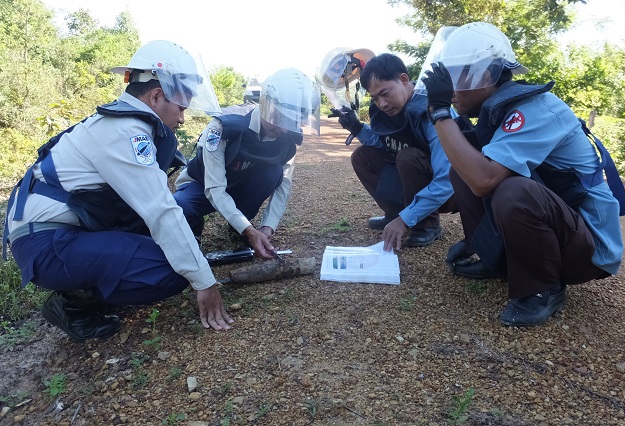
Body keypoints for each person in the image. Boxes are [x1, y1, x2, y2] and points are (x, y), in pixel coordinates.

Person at [2, 40, 234, 342]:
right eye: (180, 107)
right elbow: (160, 209)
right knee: (175, 271)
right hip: (46, 243)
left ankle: (100, 277)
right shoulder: (124, 132)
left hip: (65, 232)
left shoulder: (122, 123)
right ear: (156, 95)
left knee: (182, 243)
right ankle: (73, 303)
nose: (182, 118)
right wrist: (204, 281)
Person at [420, 22, 625, 326]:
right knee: (461, 171)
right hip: (564, 229)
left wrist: (440, 113)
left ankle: (542, 288)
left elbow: (484, 181)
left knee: (511, 190)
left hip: (588, 251)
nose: (451, 91)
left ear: (487, 74)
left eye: (458, 76)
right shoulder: (500, 111)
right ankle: (495, 259)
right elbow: (470, 172)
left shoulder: (535, 109)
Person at [173, 68, 320, 259]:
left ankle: (238, 228)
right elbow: (215, 188)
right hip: (203, 185)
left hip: (239, 186)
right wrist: (250, 230)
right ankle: (195, 230)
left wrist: (267, 228)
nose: (285, 128)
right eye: (283, 118)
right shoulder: (225, 126)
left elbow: (283, 185)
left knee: (273, 173)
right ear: (267, 104)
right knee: (182, 204)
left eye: (293, 122)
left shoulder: (287, 138)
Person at [330, 53, 457, 251]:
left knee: (408, 157)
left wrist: (406, 220)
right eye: (375, 98)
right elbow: (385, 143)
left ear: (404, 79)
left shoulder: (431, 109)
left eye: (385, 93)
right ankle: (395, 214)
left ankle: (427, 224)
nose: (382, 104)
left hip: (452, 191)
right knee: (362, 156)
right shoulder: (387, 109)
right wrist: (356, 127)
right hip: (416, 174)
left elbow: (447, 178)